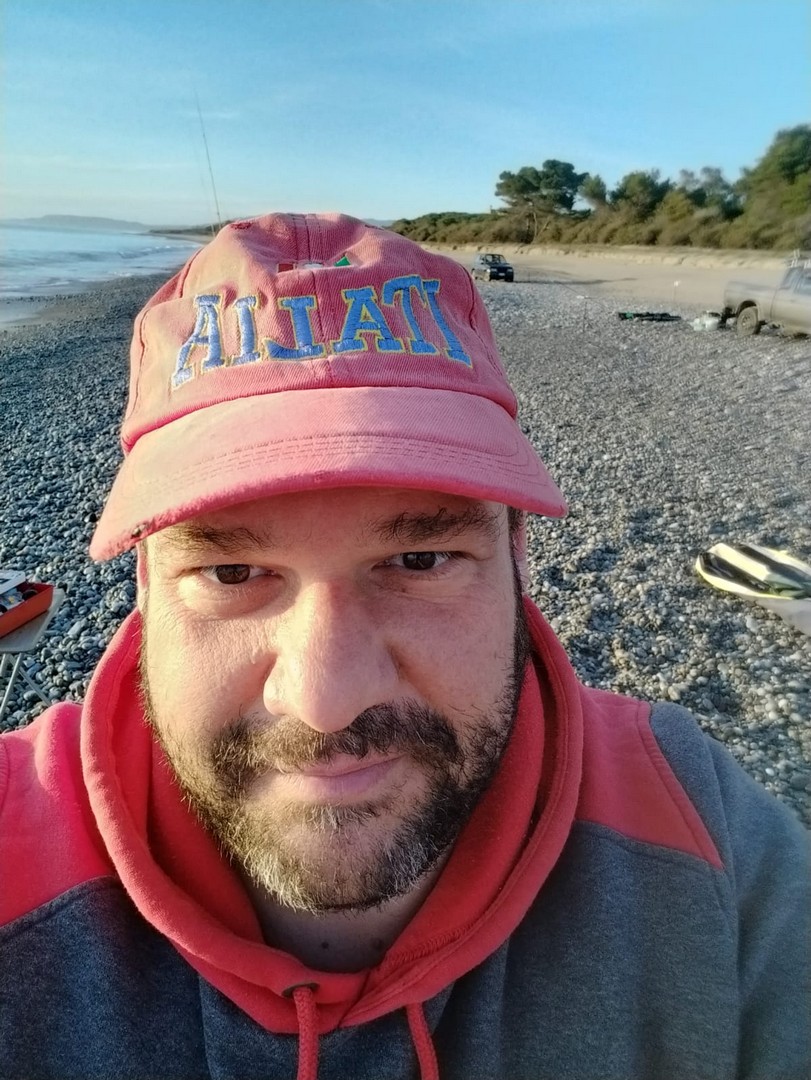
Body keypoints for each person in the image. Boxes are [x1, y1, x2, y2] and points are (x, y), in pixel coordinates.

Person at [1, 213, 807, 1080]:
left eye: (420, 560)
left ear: (517, 559)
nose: (326, 698)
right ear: (146, 584)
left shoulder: (700, 830)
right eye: (232, 572)